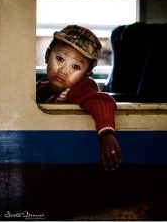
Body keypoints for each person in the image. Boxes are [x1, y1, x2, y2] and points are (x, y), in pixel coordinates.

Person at [36, 25, 121, 171]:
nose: (63, 70)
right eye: (60, 58)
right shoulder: (39, 86)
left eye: (75, 67)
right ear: (47, 55)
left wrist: (107, 135)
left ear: (86, 74)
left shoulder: (81, 87)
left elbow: (101, 101)